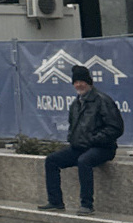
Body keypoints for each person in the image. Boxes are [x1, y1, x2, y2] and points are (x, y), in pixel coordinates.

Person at [40, 66, 123, 214]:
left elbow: (116, 128)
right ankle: (55, 202)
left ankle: (87, 205)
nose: (78, 85)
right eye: (76, 82)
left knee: (84, 161)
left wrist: (94, 139)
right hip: (80, 147)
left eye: (81, 81)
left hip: (103, 148)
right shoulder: (75, 104)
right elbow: (73, 127)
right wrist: (73, 139)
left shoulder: (102, 100)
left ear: (89, 82)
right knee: (51, 160)